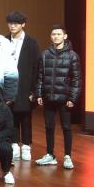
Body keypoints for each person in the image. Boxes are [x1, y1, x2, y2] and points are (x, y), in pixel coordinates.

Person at [35, 24, 82, 170]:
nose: (56, 37)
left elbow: (76, 79)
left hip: (64, 98)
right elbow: (40, 76)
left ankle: (67, 156)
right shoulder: (45, 54)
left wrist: (72, 98)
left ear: (65, 36)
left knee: (66, 127)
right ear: (51, 37)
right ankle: (50, 155)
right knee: (49, 127)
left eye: (59, 34)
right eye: (53, 34)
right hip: (48, 96)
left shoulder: (72, 56)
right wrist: (39, 93)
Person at [6, 11, 41, 162]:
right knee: (11, 116)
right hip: (9, 85)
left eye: (16, 23)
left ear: (23, 24)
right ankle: (14, 145)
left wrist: (34, 90)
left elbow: (37, 68)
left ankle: (26, 146)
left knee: (26, 117)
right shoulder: (4, 41)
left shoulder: (32, 43)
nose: (12, 26)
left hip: (26, 86)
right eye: (10, 23)